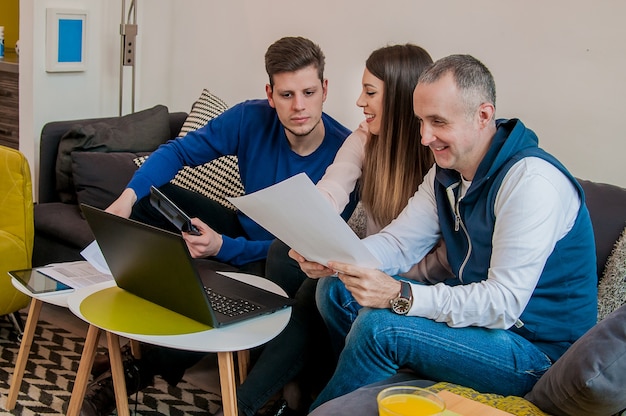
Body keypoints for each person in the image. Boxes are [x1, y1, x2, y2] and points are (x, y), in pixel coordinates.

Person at [296, 54, 598, 411]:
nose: (425, 137)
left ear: (483, 116)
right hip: (483, 327)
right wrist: (335, 258)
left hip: (534, 351)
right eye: (421, 121)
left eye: (438, 122)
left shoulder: (530, 182)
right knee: (334, 289)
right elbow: (399, 242)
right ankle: (364, 387)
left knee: (381, 327)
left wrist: (400, 294)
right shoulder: (447, 171)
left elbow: (502, 304)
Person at [79, 36, 357, 416]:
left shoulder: (345, 156)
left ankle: (139, 369)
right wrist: (126, 200)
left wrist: (223, 248)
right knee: (149, 196)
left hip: (287, 259)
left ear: (325, 90)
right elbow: (176, 151)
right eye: (287, 94)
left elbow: (307, 250)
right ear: (270, 93)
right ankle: (142, 300)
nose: (299, 106)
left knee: (278, 261)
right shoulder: (250, 117)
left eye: (308, 92)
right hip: (243, 229)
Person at [229, 44, 438, 416]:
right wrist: (303, 232)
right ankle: (286, 386)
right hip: (368, 258)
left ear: (401, 97)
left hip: (411, 280)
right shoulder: (362, 140)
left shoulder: (437, 161)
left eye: (370, 92)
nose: (359, 101)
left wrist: (344, 264)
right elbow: (331, 189)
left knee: (322, 288)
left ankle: (245, 405)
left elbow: (419, 256)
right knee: (283, 252)